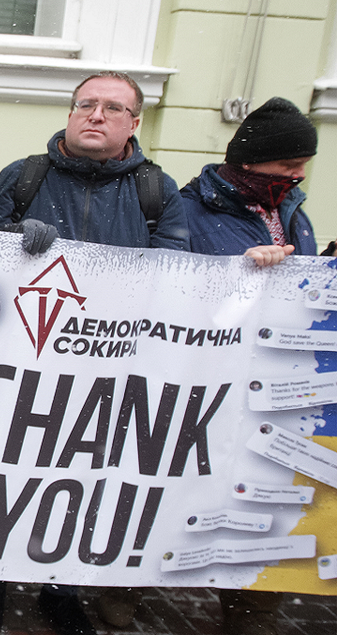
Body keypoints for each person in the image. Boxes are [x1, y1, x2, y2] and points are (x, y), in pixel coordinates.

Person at [0, 71, 191, 635]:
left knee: (84, 474)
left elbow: (176, 271)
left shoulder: (157, 190)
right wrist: (19, 239)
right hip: (24, 352)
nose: (96, 115)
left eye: (112, 108)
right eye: (86, 105)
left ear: (134, 124)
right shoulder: (24, 175)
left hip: (108, 362)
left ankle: (61, 586)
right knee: (6, 468)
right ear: (70, 113)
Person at [180, 96, 318, 635]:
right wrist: (239, 273)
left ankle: (250, 606)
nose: (299, 172)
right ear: (254, 160)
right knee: (183, 482)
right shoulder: (192, 209)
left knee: (262, 488)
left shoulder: (290, 208)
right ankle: (129, 581)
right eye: (289, 163)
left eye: (303, 163)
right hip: (209, 373)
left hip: (273, 376)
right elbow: (178, 285)